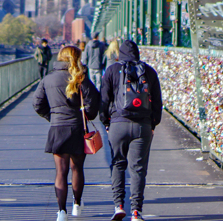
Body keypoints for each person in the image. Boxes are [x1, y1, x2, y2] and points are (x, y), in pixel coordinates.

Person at [33, 45, 100, 221]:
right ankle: (77, 205)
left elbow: (37, 104)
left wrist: (52, 117)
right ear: (76, 58)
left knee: (60, 172)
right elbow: (94, 100)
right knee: (77, 168)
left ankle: (61, 212)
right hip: (77, 128)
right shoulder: (80, 78)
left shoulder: (48, 79)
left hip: (58, 128)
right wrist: (88, 116)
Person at [100, 39, 163, 221]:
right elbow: (158, 103)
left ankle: (119, 205)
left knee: (118, 164)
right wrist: (153, 124)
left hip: (117, 124)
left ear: (120, 53)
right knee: (138, 169)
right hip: (142, 126)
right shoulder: (149, 71)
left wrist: (106, 122)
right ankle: (136, 211)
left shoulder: (112, 70)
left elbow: (104, 99)